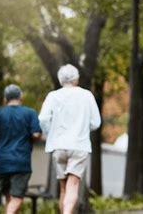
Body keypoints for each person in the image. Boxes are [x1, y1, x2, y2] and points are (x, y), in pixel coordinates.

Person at [38, 64, 101, 214]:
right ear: (76, 79)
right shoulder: (86, 95)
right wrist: (83, 128)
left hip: (58, 145)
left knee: (63, 189)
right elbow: (96, 122)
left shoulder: (53, 96)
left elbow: (43, 119)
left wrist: (50, 132)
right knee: (73, 186)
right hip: (79, 145)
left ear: (60, 80)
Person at [0, 84, 42, 214]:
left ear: (6, 99)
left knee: (8, 197)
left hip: (2, 162)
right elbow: (36, 134)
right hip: (20, 162)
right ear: (20, 97)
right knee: (17, 198)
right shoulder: (29, 113)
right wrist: (30, 139)